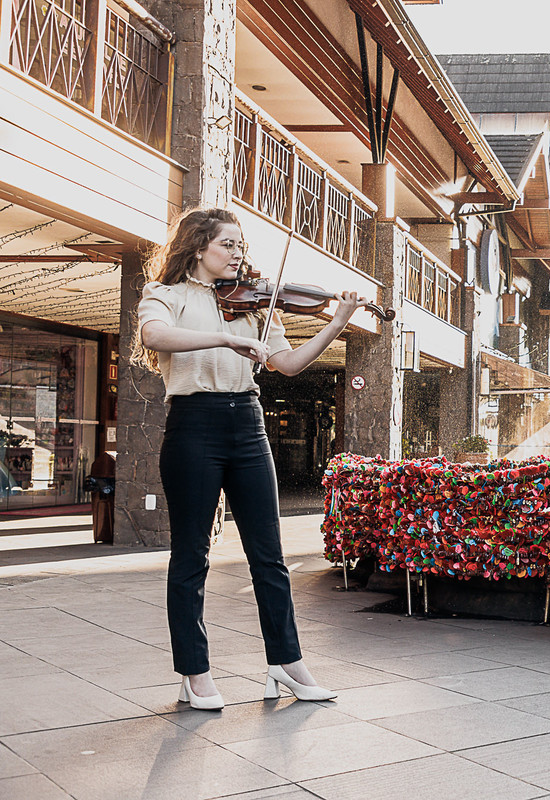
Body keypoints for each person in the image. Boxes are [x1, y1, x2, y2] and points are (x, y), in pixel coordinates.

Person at [136, 208, 368, 710]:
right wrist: (224, 335)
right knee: (191, 555)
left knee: (269, 555)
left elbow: (286, 363)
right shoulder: (165, 296)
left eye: (241, 246)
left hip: (247, 421)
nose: (239, 254)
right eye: (228, 244)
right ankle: (194, 673)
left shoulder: (255, 305)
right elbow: (155, 337)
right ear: (198, 247)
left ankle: (287, 664)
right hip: (193, 424)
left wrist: (340, 321)